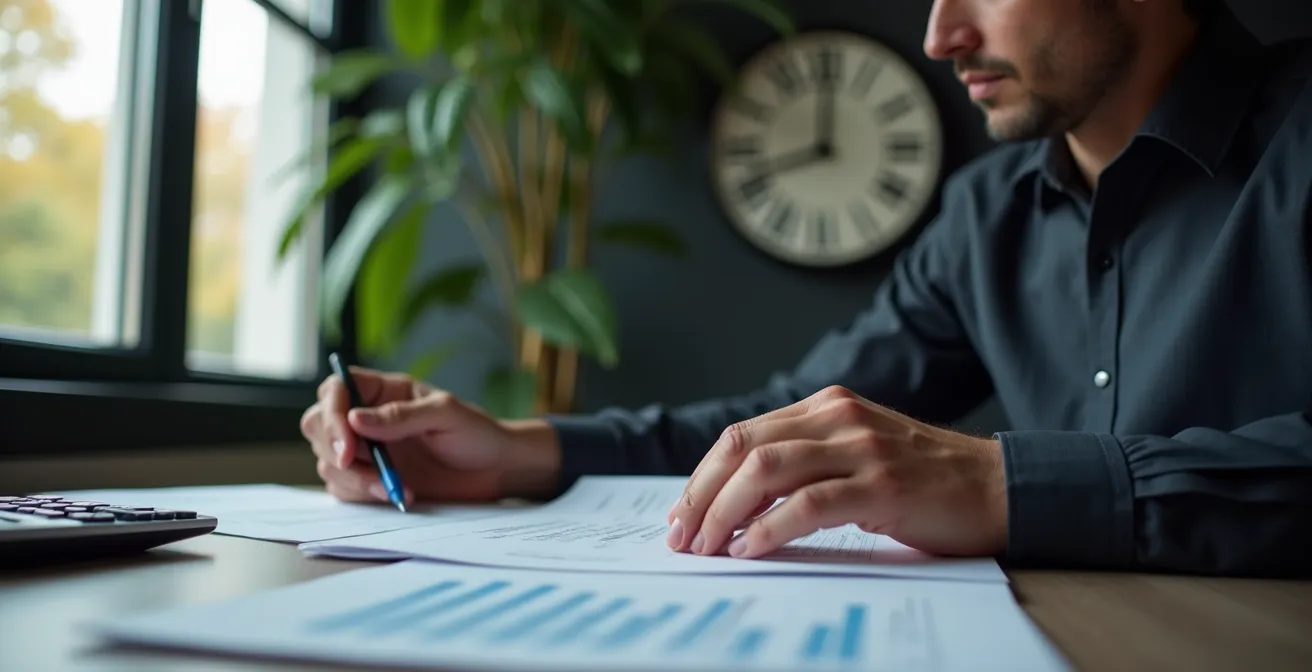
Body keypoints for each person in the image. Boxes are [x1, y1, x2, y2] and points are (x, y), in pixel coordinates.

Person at [299, 0, 1312, 578]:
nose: (939, 34)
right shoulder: (980, 216)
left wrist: (1004, 484)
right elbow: (780, 428)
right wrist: (517, 451)